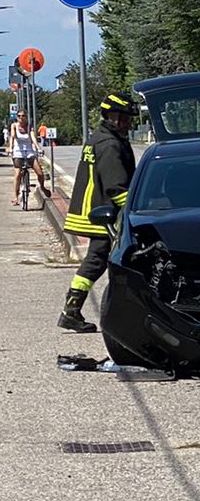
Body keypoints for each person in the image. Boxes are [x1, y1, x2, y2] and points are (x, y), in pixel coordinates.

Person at [59, 92, 139, 333]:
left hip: (94, 208)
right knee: (98, 259)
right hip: (100, 210)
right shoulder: (110, 145)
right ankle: (71, 311)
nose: (127, 123)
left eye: (128, 119)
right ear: (111, 117)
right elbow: (117, 186)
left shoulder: (102, 138)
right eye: (123, 118)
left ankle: (73, 310)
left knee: (100, 259)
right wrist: (132, 212)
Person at [11, 113, 46, 207]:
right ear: (17, 117)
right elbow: (13, 136)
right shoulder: (14, 126)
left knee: (40, 173)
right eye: (19, 116)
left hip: (29, 152)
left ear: (26, 117)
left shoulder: (29, 126)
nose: (21, 118)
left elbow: (33, 138)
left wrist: (38, 148)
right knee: (18, 173)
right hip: (18, 152)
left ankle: (42, 187)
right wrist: (10, 147)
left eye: (23, 116)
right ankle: (15, 196)